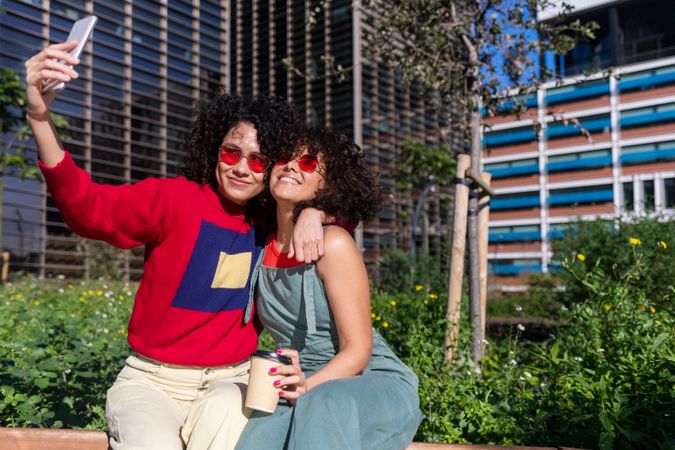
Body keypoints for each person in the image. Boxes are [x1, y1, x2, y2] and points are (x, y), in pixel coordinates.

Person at [24, 42, 326, 450]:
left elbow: (348, 207)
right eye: (231, 152)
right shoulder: (172, 199)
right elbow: (87, 208)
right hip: (151, 382)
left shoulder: (275, 220)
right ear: (214, 150)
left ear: (273, 167)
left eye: (258, 160)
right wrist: (39, 117)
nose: (241, 167)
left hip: (232, 381)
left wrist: (316, 211)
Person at [235, 127, 422, 450]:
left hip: (365, 380)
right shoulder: (258, 246)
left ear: (327, 183)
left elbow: (358, 351)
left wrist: (309, 385)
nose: (292, 166)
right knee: (258, 436)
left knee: (323, 406)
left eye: (308, 163)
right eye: (283, 158)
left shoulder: (333, 243)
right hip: (298, 380)